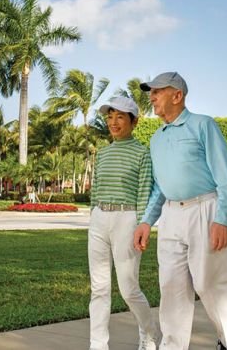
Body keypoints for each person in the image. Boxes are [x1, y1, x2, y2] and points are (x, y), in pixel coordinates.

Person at [132, 72, 227, 350]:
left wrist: (222, 218)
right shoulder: (156, 139)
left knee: (209, 284)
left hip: (204, 209)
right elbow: (159, 187)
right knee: (171, 287)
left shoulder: (202, 125)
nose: (152, 97)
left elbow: (226, 176)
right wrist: (147, 221)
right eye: (151, 92)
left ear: (177, 95)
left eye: (158, 91)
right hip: (171, 215)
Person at [88, 96, 159, 350]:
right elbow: (95, 189)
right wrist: (93, 215)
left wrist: (142, 225)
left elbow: (143, 193)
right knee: (99, 288)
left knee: (128, 289)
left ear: (134, 121)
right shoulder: (104, 153)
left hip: (127, 219)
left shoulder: (143, 153)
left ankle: (149, 334)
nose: (113, 122)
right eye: (110, 116)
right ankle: (98, 345)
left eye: (120, 117)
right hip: (99, 219)